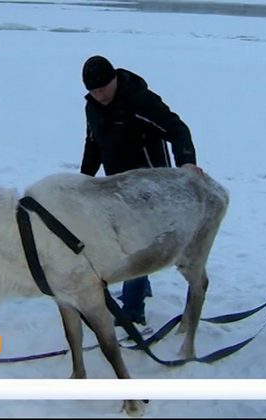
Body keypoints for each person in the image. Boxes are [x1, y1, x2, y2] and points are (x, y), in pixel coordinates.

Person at [78, 55, 202, 330]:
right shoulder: (93, 107)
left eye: (102, 89)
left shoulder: (139, 100)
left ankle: (132, 312)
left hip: (152, 186)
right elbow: (93, 144)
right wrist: (83, 182)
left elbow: (176, 127)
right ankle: (140, 287)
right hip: (118, 186)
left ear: (114, 80)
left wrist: (186, 162)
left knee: (134, 244)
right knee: (125, 241)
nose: (99, 96)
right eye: (93, 91)